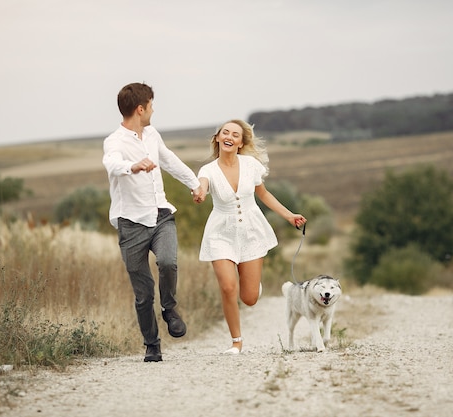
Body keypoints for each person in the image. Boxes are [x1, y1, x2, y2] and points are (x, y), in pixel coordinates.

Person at [102, 82, 204, 362]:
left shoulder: (152, 134)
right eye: (151, 104)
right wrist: (132, 166)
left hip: (160, 215)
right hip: (131, 223)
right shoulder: (114, 141)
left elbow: (168, 160)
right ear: (140, 108)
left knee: (169, 262)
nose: (153, 109)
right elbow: (111, 164)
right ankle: (152, 344)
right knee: (143, 293)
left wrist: (194, 184)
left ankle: (169, 309)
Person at [194, 119, 307, 354]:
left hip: (251, 231)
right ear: (217, 138)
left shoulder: (251, 165)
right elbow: (202, 186)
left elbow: (264, 195)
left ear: (241, 142)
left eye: (235, 135)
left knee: (249, 298)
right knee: (227, 287)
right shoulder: (208, 170)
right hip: (221, 233)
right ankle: (236, 341)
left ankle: (253, 285)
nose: (229, 136)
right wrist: (200, 193)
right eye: (225, 132)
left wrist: (288, 216)